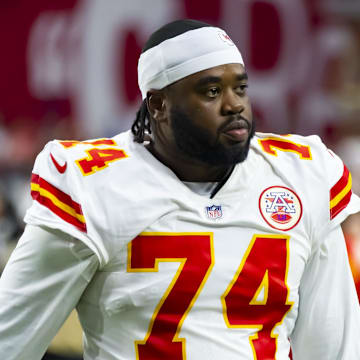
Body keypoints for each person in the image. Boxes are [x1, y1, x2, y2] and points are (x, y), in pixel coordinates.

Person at [0, 19, 359, 360]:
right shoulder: (93, 186)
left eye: (241, 88)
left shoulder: (299, 175)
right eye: (212, 91)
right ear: (158, 105)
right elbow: (10, 338)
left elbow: (332, 344)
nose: (234, 104)